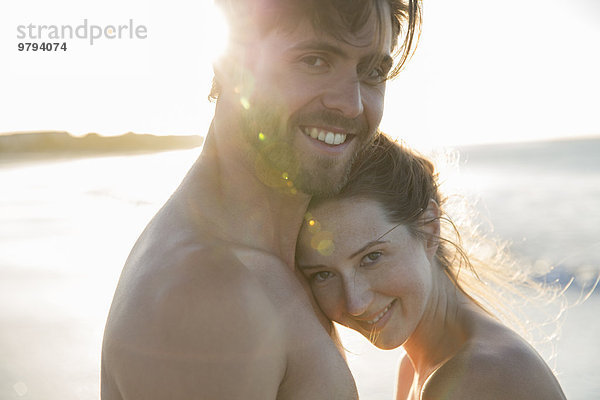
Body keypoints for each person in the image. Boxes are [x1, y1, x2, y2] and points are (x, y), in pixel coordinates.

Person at [101, 0, 420, 398]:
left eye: (372, 72)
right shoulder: (212, 297)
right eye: (315, 60)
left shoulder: (268, 259)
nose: (351, 104)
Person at [296, 134, 567, 400]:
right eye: (323, 274)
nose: (355, 303)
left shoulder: (479, 375)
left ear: (429, 229)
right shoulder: (415, 369)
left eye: (372, 258)